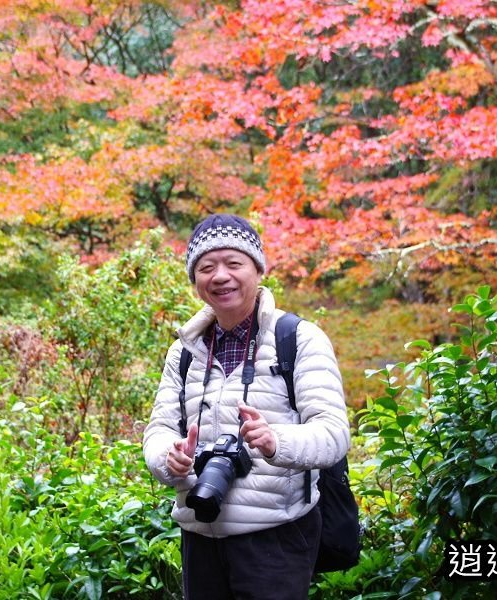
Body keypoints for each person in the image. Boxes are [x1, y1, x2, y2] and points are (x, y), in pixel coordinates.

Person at [142, 214, 350, 600]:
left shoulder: (298, 339)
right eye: (206, 267)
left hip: (276, 535)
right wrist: (168, 459)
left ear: (257, 269)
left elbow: (334, 433)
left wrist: (276, 442)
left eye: (233, 263)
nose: (220, 276)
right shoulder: (184, 351)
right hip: (199, 532)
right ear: (195, 280)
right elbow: (159, 432)